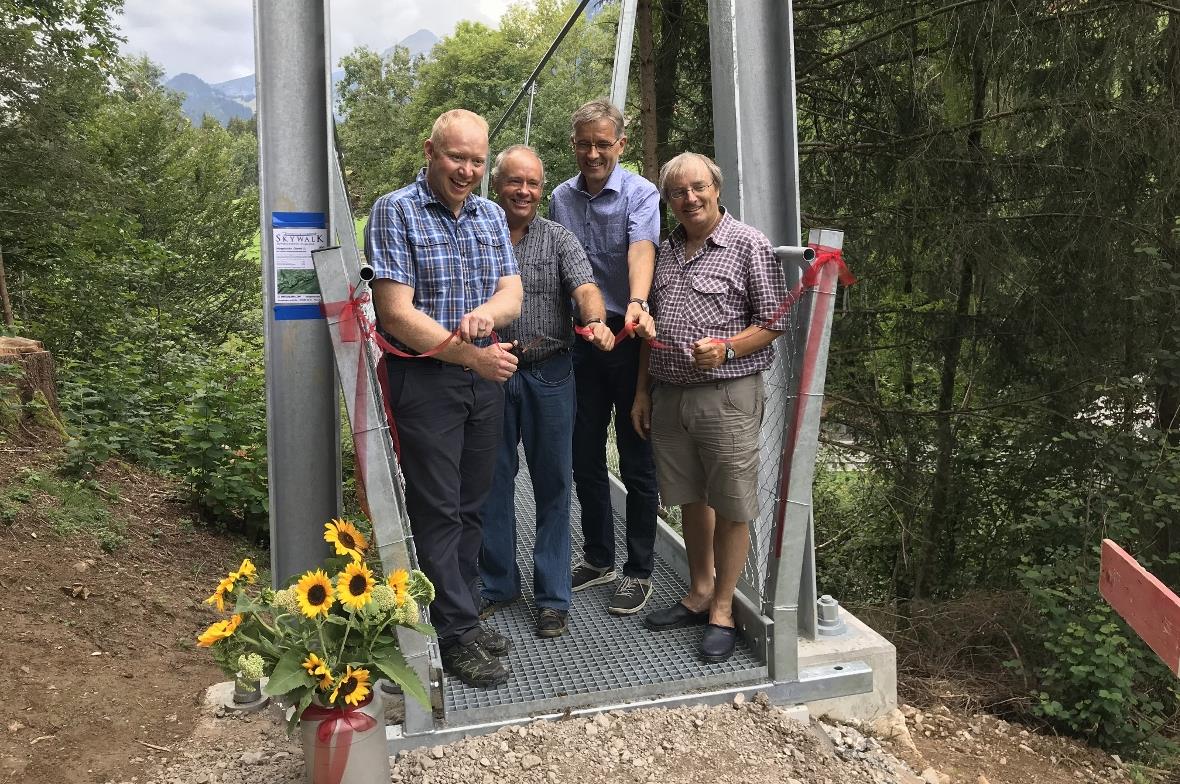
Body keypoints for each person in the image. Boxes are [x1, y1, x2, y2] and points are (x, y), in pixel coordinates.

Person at [365, 109, 523, 688]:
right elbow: (395, 313)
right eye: (457, 157)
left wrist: (489, 316)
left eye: (478, 161)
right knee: (437, 506)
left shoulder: (487, 215)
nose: (468, 171)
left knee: (472, 502)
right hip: (427, 378)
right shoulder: (395, 210)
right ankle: (453, 633)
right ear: (430, 150)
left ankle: (462, 611)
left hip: (483, 377)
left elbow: (512, 290)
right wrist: (469, 353)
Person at [631, 152, 790, 664]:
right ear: (669, 200)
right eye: (678, 192)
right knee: (690, 499)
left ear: (716, 189)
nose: (689, 199)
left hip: (727, 394)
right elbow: (647, 330)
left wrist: (726, 347)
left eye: (698, 188)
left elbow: (774, 320)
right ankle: (699, 591)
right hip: (669, 394)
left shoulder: (748, 244)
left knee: (732, 503)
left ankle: (723, 608)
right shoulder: (667, 250)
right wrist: (641, 392)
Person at [477, 145, 615, 639]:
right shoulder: (477, 234)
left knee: (554, 484)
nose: (524, 191)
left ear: (541, 188)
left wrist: (595, 321)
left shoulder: (558, 237)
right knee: (492, 480)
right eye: (515, 181)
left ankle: (552, 596)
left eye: (533, 183)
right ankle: (497, 584)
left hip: (550, 372)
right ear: (497, 185)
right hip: (490, 370)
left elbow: (584, 287)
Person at [549, 99, 661, 616]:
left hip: (629, 334)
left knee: (637, 459)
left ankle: (639, 571)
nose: (592, 153)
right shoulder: (559, 198)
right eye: (583, 144)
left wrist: (636, 304)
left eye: (602, 143)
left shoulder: (641, 193)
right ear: (573, 145)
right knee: (584, 454)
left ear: (620, 144)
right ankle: (599, 557)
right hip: (579, 340)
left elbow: (642, 248)